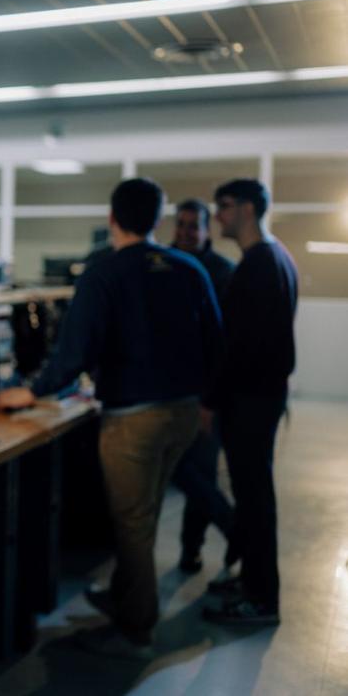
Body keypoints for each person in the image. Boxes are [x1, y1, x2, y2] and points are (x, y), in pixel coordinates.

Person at [0, 178, 222, 657]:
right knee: (147, 512)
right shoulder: (188, 267)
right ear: (158, 220)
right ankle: (123, 597)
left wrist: (29, 392)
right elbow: (215, 340)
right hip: (183, 413)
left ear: (112, 218)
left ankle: (135, 630)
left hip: (134, 420)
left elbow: (73, 351)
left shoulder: (105, 271)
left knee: (132, 523)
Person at [202, 179, 297, 626]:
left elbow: (239, 347)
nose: (217, 216)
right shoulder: (277, 257)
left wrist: (212, 400)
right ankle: (254, 582)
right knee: (253, 495)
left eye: (222, 207)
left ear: (244, 209)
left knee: (255, 498)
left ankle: (261, 598)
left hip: (251, 399)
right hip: (264, 395)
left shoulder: (259, 264)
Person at [170, 199, 236, 573]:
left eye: (193, 226)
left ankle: (195, 548)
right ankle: (233, 530)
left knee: (199, 472)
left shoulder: (222, 272)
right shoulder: (164, 266)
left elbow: (223, 343)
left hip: (204, 393)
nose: (185, 232)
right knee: (181, 470)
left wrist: (211, 399)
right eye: (181, 224)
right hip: (167, 390)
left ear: (207, 229)